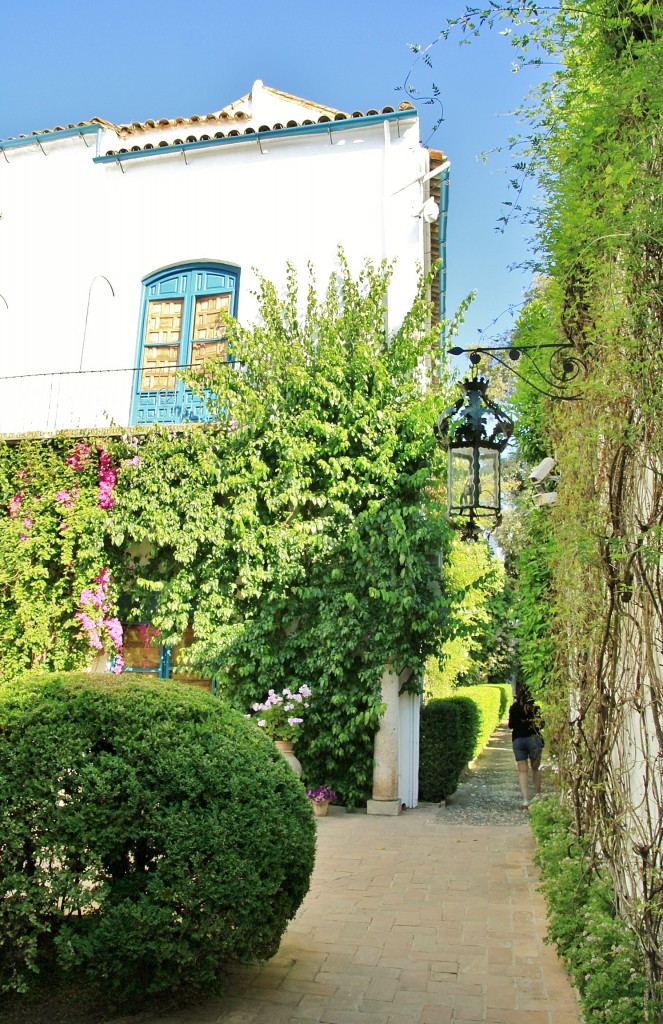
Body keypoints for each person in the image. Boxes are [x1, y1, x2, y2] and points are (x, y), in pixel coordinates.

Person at [508, 685, 544, 808]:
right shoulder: (535, 708)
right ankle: (537, 796)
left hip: (518, 740)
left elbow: (511, 725)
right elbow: (541, 725)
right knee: (536, 769)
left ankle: (525, 800)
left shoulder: (513, 708)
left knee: (522, 771)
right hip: (533, 739)